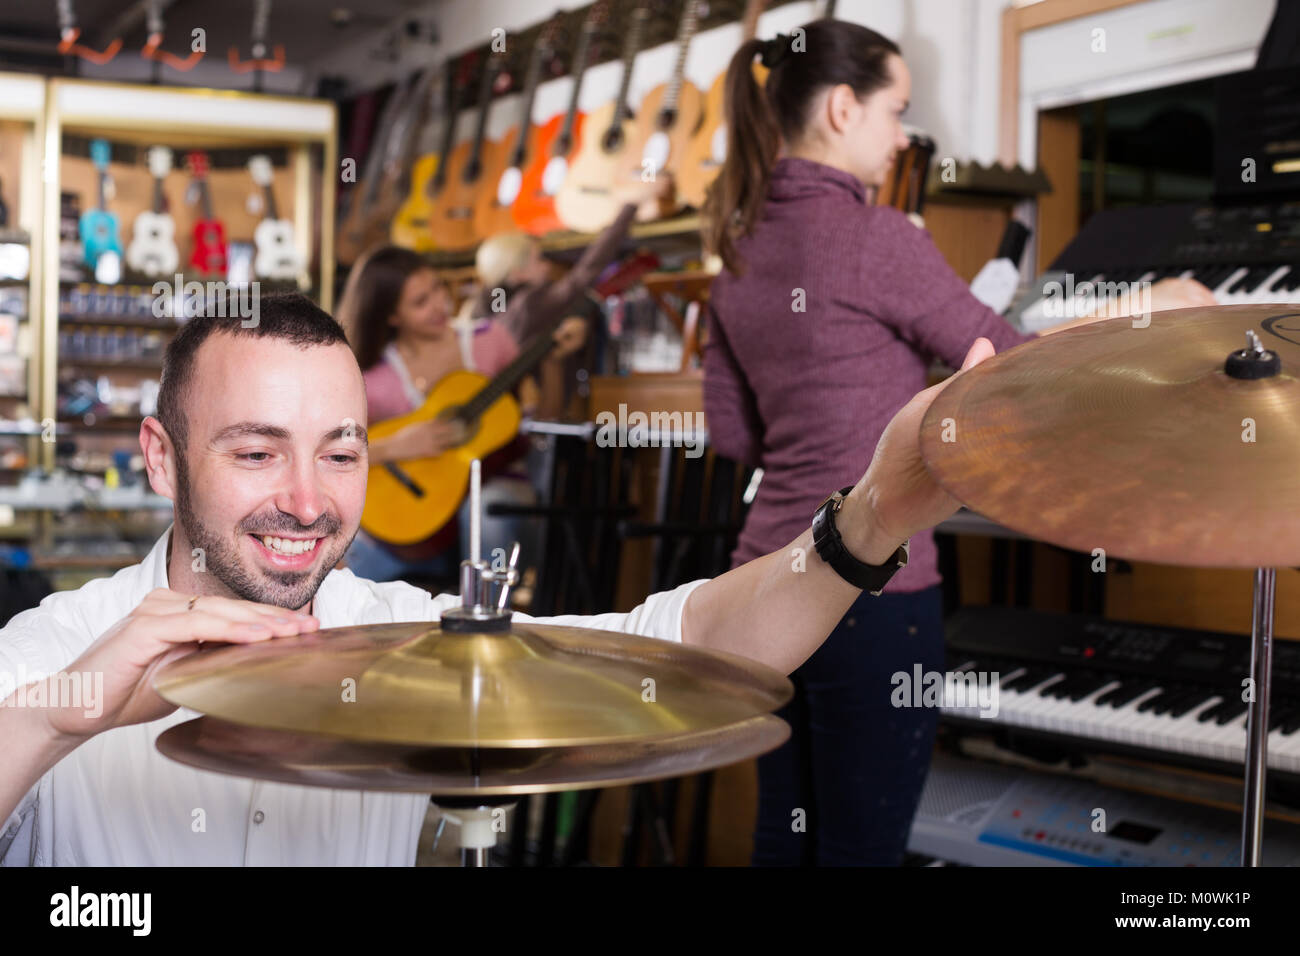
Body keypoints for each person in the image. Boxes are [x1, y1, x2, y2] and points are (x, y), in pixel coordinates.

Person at [0, 292, 978, 865]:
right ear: (162, 459)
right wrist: (50, 718)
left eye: (340, 454)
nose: (306, 500)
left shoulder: (411, 638)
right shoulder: (47, 656)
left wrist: (872, 517)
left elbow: (678, 649)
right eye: (257, 452)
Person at [699, 19, 1216, 866]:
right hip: (872, 587)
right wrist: (1141, 308)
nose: (901, 136)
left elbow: (732, 435)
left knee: (781, 833)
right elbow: (1007, 368)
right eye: (895, 110)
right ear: (840, 107)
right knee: (862, 847)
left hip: (760, 583)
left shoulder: (738, 250)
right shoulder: (878, 239)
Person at [336, 246, 586, 584]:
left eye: (438, 288)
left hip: (499, 496)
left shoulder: (490, 341)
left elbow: (547, 419)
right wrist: (396, 445)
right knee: (346, 571)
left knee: (485, 512)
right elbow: (332, 451)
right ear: (392, 316)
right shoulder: (375, 379)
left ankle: (485, 620)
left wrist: (554, 361)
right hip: (419, 521)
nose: (441, 304)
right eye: (420, 302)